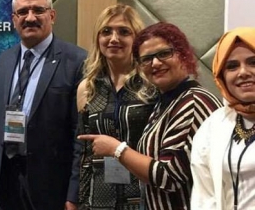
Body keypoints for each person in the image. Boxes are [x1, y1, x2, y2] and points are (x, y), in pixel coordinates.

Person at [79, 22, 222, 210]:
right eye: (146, 59)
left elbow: (169, 177)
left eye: (164, 53)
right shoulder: (166, 101)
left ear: (183, 54)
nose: (155, 63)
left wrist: (117, 149)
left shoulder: (193, 102)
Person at [0, 0, 87, 210]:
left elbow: (80, 135)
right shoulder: (4, 60)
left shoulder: (77, 61)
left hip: (52, 185)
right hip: (7, 179)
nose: (30, 18)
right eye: (22, 12)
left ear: (52, 16)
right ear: (14, 19)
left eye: (38, 10)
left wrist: (74, 193)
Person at [76, 4, 157, 210]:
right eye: (106, 31)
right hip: (98, 199)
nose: (114, 38)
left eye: (123, 32)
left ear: (136, 39)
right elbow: (84, 153)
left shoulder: (151, 85)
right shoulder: (87, 88)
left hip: (143, 198)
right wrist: (80, 201)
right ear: (98, 38)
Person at [191, 27, 255, 210]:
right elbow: (204, 196)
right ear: (221, 76)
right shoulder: (213, 125)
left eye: (253, 62)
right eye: (232, 66)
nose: (243, 72)